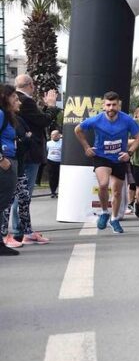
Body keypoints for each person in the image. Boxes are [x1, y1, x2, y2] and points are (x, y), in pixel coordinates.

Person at [74, 91, 139, 233]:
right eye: (108, 105)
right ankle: (104, 212)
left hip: (119, 158)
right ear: (103, 105)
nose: (111, 108)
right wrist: (86, 147)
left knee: (117, 192)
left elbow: (138, 138)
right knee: (103, 184)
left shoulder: (127, 120)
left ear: (119, 106)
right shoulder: (96, 119)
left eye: (114, 105)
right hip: (101, 156)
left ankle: (114, 219)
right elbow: (77, 129)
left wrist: (129, 153)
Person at [9, 75, 59, 242]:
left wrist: (44, 109)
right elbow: (43, 121)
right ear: (31, 85)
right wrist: (51, 107)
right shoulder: (26, 101)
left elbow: (35, 121)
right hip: (29, 153)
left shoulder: (23, 101)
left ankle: (24, 230)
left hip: (24, 153)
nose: (17, 103)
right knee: (23, 194)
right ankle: (20, 231)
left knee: (22, 194)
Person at [0, 85, 21, 255]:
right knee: (2, 201)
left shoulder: (7, 116)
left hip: (8, 161)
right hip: (4, 163)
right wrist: (1, 159)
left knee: (4, 202)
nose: (17, 100)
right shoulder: (1, 114)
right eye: (14, 96)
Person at [46, 130, 62, 198]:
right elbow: (47, 150)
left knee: (58, 177)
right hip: (50, 161)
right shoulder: (48, 143)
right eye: (52, 135)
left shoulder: (62, 142)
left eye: (55, 135)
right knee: (52, 177)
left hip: (59, 162)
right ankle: (53, 192)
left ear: (58, 135)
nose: (53, 136)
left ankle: (59, 191)